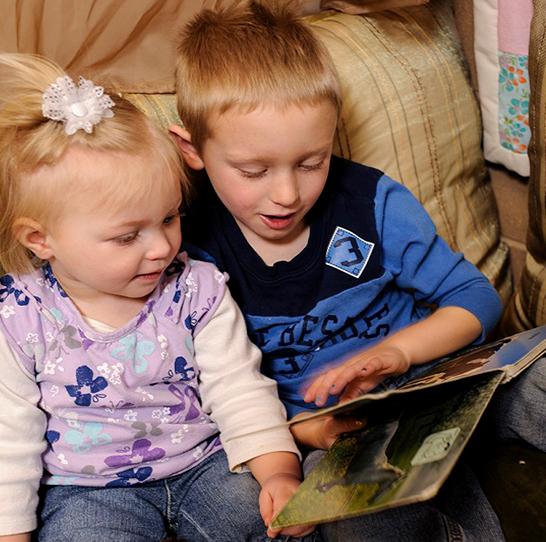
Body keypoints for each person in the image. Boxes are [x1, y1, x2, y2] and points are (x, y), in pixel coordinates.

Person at [167, 1, 539, 540]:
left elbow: (476, 299)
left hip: (443, 387)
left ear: (334, 131)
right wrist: (307, 431)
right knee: (356, 522)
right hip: (339, 438)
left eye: (311, 161)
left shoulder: (370, 201)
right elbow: (218, 394)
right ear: (192, 149)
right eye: (254, 170)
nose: (288, 193)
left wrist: (399, 352)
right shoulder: (195, 252)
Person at [0, 52, 319, 542]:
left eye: (169, 218)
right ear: (40, 239)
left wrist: (279, 473)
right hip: (86, 491)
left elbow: (239, 390)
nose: (162, 247)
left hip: (205, 464)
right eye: (127, 236)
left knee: (273, 528)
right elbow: (3, 443)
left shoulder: (195, 288)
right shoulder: (18, 320)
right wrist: (5, 536)